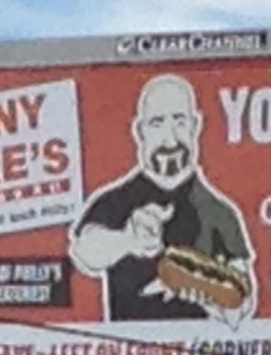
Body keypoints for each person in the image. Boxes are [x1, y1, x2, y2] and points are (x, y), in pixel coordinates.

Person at [69, 74, 255, 327]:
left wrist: (211, 300)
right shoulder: (115, 201)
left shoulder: (220, 213)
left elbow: (242, 309)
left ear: (196, 126)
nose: (170, 139)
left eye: (179, 122)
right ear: (139, 131)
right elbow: (84, 252)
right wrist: (128, 240)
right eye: (157, 123)